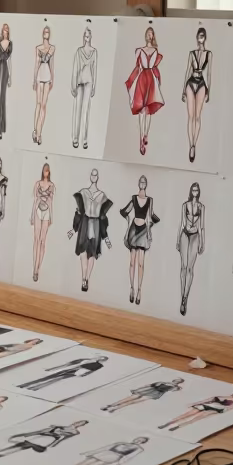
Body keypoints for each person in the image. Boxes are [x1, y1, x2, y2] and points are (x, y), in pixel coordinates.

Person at [68, 168, 112, 293]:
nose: (93, 177)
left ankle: (87, 278)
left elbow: (103, 216)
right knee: (83, 252)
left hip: (96, 224)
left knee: (92, 253)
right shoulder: (83, 192)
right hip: (85, 223)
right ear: (90, 177)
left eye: (95, 175)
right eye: (92, 174)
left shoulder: (102, 195)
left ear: (97, 177)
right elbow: (79, 211)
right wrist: (73, 229)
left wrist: (106, 237)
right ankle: (83, 278)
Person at [120, 175, 159, 305]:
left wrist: (150, 228)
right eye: (141, 181)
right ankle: (131, 288)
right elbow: (125, 211)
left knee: (141, 263)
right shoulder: (134, 198)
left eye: (144, 182)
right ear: (138, 183)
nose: (142, 183)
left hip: (143, 231)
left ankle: (139, 290)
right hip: (133, 230)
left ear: (146, 184)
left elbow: (151, 215)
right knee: (132, 262)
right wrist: (128, 220)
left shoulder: (150, 200)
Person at [125, 26, 164, 156]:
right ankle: (141, 139)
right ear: (145, 35)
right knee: (142, 110)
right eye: (148, 33)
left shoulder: (155, 50)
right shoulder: (139, 50)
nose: (149, 35)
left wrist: (158, 81)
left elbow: (155, 68)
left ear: (153, 36)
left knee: (148, 110)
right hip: (142, 78)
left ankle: (146, 133)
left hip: (151, 79)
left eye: (151, 33)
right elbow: (137, 66)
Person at [47, 435, 150, 465]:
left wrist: (121, 462)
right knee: (82, 464)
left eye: (141, 440)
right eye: (138, 439)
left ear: (142, 442)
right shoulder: (121, 442)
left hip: (114, 457)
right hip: (105, 453)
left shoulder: (139, 448)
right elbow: (105, 447)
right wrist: (90, 452)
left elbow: (129, 456)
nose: (138, 440)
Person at [0, 419, 89, 460]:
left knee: (21, 447)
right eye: (78, 421)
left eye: (81, 423)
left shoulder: (75, 432)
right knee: (19, 446)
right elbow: (41, 430)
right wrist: (25, 434)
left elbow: (62, 438)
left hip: (45, 441)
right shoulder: (59, 425)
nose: (77, 423)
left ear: (81, 426)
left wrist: (53, 444)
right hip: (41, 437)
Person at [182, 26, 212, 163]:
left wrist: (209, 91)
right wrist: (183, 89)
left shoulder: (208, 54)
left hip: (201, 84)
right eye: (199, 36)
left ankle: (194, 144)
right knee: (191, 116)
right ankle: (191, 145)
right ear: (196, 37)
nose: (201, 39)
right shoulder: (191, 53)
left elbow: (209, 74)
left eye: (202, 36)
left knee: (198, 116)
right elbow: (188, 70)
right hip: (190, 82)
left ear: (205, 38)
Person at [176, 182, 205, 316]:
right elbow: (181, 223)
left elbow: (202, 226)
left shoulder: (201, 207)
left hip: (195, 236)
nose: (195, 192)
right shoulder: (184, 205)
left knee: (190, 268)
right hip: (184, 234)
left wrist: (202, 242)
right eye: (193, 190)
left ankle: (185, 297)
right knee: (183, 266)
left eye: (196, 190)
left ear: (198, 192)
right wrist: (177, 239)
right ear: (190, 191)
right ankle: (182, 296)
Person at [158, 391, 233, 432]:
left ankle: (179, 426)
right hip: (207, 405)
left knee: (197, 418)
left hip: (216, 409)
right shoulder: (221, 396)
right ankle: (168, 423)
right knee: (187, 414)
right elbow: (208, 400)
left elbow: (230, 408)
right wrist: (194, 403)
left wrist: (223, 410)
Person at [17, 355, 108, 392]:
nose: (101, 359)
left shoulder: (99, 365)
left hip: (76, 372)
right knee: (50, 377)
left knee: (57, 379)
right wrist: (53, 368)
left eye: (103, 359)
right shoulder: (86, 359)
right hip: (69, 369)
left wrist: (84, 374)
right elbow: (69, 363)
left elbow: (91, 371)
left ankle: (35, 387)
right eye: (101, 358)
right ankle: (26, 384)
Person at [71, 27, 98, 149]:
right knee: (78, 110)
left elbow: (95, 69)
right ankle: (75, 138)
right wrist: (73, 84)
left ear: (91, 37)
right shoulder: (79, 51)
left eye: (89, 35)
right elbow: (75, 69)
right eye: (85, 35)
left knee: (86, 111)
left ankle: (85, 139)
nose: (87, 37)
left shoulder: (94, 51)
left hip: (89, 81)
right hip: (79, 82)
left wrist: (94, 86)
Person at [30, 163, 55, 282]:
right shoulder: (37, 184)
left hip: (46, 213)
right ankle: (35, 268)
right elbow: (35, 200)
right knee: (36, 240)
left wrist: (51, 217)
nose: (46, 172)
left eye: (48, 171)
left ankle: (38, 268)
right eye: (45, 170)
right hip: (37, 211)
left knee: (42, 241)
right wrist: (31, 215)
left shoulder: (52, 185)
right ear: (42, 171)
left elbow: (51, 202)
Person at [101, 378, 184, 413]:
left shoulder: (175, 387)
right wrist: (140, 388)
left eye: (179, 381)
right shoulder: (163, 382)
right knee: (131, 397)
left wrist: (177, 388)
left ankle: (115, 408)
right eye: (177, 380)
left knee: (134, 401)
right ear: (174, 379)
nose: (177, 381)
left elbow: (173, 390)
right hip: (150, 389)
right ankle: (111, 405)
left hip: (156, 393)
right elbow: (150, 385)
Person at [33, 26, 55, 145]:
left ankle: (39, 134)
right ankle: (35, 130)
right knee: (38, 103)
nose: (46, 33)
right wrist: (34, 79)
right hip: (39, 76)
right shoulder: (38, 48)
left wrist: (53, 79)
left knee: (44, 105)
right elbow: (36, 63)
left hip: (47, 76)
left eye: (48, 32)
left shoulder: (52, 48)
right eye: (45, 31)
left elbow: (52, 64)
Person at [0, 24, 13, 138]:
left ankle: (0, 130)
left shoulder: (10, 43)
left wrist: (10, 77)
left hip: (5, 69)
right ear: (2, 30)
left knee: (2, 99)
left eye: (7, 28)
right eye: (4, 28)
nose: (6, 30)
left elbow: (10, 61)